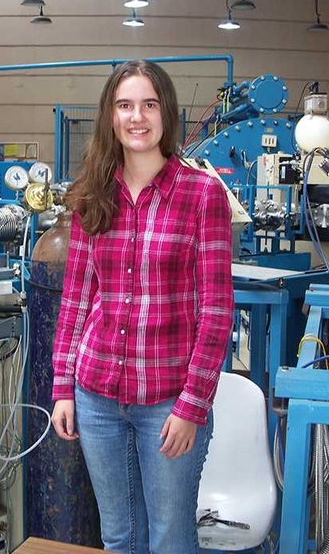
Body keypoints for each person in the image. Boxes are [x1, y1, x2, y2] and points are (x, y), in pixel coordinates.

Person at [50, 59, 234, 554]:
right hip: (96, 396)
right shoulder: (93, 195)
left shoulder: (201, 195)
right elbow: (75, 301)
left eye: (149, 105)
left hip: (168, 400)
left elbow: (216, 311)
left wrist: (194, 404)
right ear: (111, 117)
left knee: (170, 540)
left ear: (165, 114)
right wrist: (62, 387)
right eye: (125, 105)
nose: (137, 117)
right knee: (118, 536)